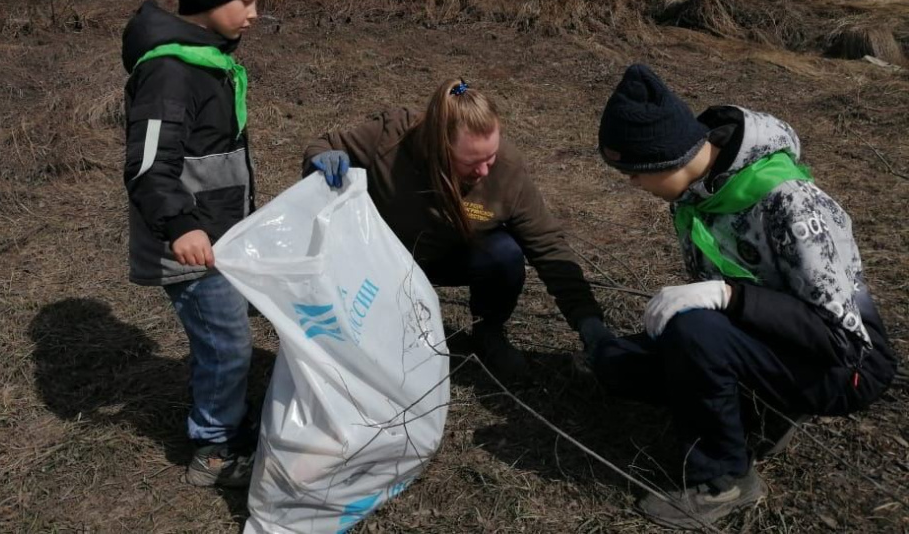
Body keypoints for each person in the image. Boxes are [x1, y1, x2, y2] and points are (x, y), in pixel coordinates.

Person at [591, 64, 897, 529]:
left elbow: (842, 338)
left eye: (633, 173)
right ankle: (758, 408)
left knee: (694, 333)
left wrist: (725, 296)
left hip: (844, 366)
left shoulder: (790, 203)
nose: (633, 185)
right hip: (772, 339)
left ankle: (725, 479)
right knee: (618, 365)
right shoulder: (698, 196)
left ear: (664, 159)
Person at [302, 78, 611, 383]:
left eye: (490, 156)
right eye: (471, 162)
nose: (484, 171)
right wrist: (321, 159)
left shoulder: (506, 171)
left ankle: (488, 331)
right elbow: (324, 144)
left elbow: (547, 245)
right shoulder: (391, 138)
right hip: (381, 259)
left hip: (449, 258)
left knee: (504, 254)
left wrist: (588, 320)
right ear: (439, 147)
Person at [121, 0, 264, 488]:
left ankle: (228, 419)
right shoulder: (170, 72)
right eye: (246, 1)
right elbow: (147, 164)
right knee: (227, 343)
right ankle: (212, 450)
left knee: (228, 339)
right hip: (188, 246)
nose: (255, 14)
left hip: (218, 237)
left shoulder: (209, 61)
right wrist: (180, 224)